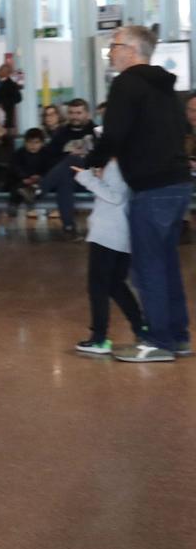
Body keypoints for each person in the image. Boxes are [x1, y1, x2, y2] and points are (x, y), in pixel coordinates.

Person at [83, 25, 190, 362]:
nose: (110, 52)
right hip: (178, 184)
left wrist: (94, 161)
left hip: (152, 188)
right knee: (167, 264)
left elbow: (114, 133)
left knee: (148, 267)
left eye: (113, 46)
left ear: (130, 49)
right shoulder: (166, 87)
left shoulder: (126, 83)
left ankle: (159, 341)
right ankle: (177, 335)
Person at [72, 160, 146, 356]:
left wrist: (87, 178)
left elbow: (114, 197)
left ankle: (99, 339)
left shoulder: (115, 164)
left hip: (107, 234)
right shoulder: (131, 160)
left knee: (98, 287)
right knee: (115, 284)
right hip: (123, 234)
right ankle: (140, 327)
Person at [45, 98, 101, 238]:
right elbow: (49, 158)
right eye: (71, 113)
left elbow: (102, 158)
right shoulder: (61, 133)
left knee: (73, 159)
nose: (74, 116)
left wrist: (81, 158)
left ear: (87, 114)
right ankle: (69, 228)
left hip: (90, 179)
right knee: (65, 180)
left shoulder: (97, 133)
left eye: (78, 113)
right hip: (70, 179)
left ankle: (39, 188)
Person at [0, 60, 24, 135]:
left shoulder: (11, 84)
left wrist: (4, 103)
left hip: (3, 120)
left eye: (0, 69)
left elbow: (19, 98)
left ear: (6, 72)